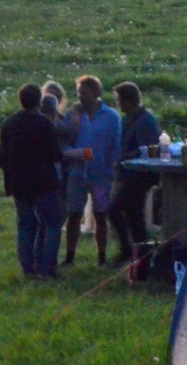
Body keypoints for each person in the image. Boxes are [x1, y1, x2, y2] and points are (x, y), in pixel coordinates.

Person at [2, 83, 64, 280]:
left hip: (18, 183)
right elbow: (55, 154)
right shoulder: (44, 124)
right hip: (43, 183)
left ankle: (28, 269)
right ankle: (47, 268)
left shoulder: (9, 123)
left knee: (26, 224)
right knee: (53, 222)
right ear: (39, 101)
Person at [65, 75, 121, 267]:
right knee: (73, 215)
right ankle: (70, 256)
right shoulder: (72, 114)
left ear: (96, 93)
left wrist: (109, 167)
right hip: (76, 174)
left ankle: (102, 257)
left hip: (101, 175)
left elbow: (116, 145)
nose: (81, 97)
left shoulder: (111, 117)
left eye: (85, 93)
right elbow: (65, 140)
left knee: (100, 215)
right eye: (79, 92)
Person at [108, 81, 161, 264]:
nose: (118, 104)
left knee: (115, 210)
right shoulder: (128, 118)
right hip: (129, 173)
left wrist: (124, 158)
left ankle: (129, 250)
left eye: (119, 100)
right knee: (133, 214)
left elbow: (146, 148)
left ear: (127, 101)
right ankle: (142, 252)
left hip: (140, 175)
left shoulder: (145, 121)